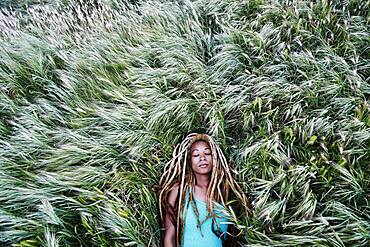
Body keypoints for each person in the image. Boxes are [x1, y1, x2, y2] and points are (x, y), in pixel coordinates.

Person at [157, 133, 250, 247]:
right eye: (196, 155)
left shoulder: (225, 193)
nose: (202, 158)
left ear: (215, 158)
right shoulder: (179, 191)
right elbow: (169, 237)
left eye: (207, 153)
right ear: (189, 161)